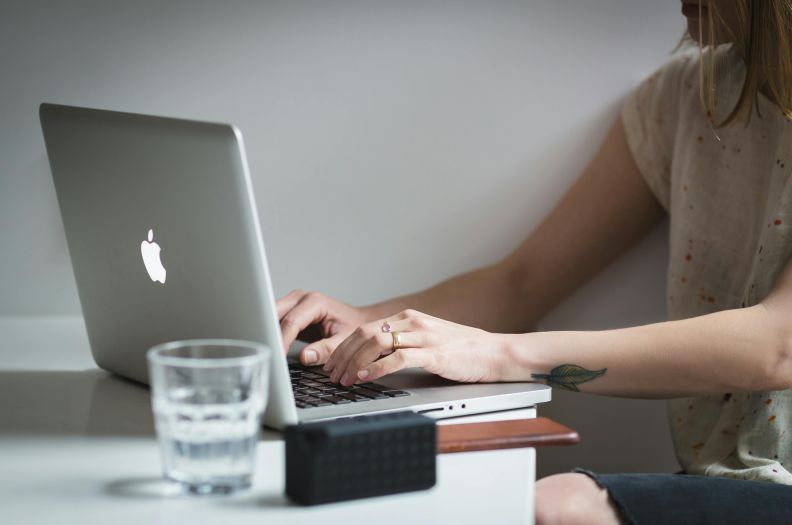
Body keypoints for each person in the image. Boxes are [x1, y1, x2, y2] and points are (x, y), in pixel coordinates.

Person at [275, 1, 792, 523]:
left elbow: (780, 346)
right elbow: (522, 284)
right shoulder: (681, 96)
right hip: (725, 481)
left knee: (554, 507)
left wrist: (502, 356)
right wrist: (369, 325)